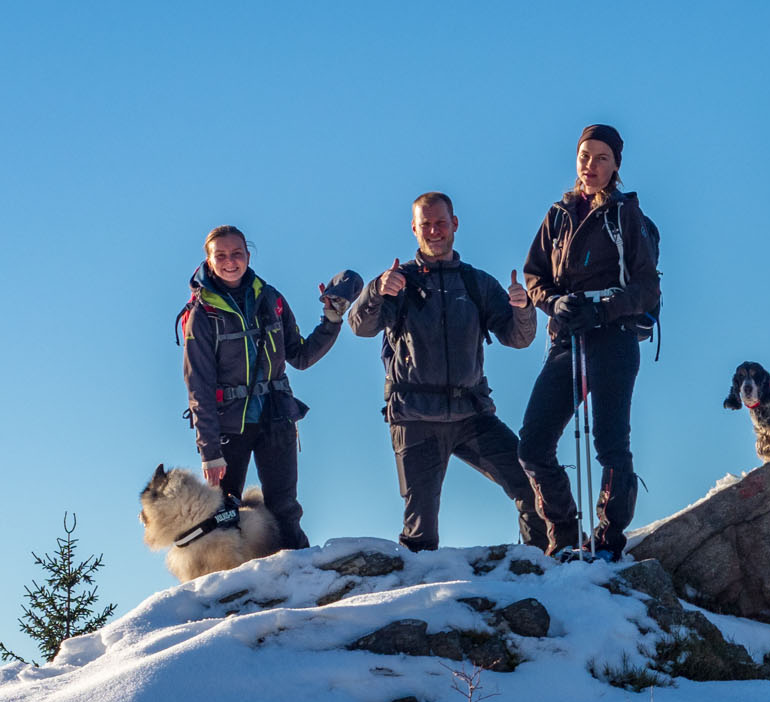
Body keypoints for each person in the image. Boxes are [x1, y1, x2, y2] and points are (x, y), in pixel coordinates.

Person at [347, 192, 548, 552]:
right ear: (414, 229)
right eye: (426, 224)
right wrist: (376, 290)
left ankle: (538, 567)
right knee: (420, 533)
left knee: (532, 487)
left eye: (441, 222)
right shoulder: (397, 281)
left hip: (472, 415)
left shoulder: (477, 283)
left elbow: (518, 338)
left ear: (455, 224)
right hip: (415, 417)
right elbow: (360, 326)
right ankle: (422, 603)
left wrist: (523, 307)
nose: (434, 231)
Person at [519, 124, 661, 559]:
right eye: (585, 156)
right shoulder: (558, 215)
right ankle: (562, 532)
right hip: (568, 337)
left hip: (614, 335)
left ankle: (608, 537)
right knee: (533, 443)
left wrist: (603, 310)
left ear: (616, 164)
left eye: (601, 157)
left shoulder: (626, 215)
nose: (591, 165)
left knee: (610, 441)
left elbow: (646, 288)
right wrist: (556, 303)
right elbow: (534, 275)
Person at [178, 226, 343, 548]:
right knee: (224, 512)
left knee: (284, 509)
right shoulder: (202, 314)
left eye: (237, 253)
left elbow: (301, 356)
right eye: (221, 255)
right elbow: (199, 385)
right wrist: (210, 452)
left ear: (248, 256)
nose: (230, 261)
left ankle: (302, 580)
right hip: (228, 425)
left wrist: (331, 320)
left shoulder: (270, 299)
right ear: (209, 260)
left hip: (276, 417)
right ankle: (228, 589)